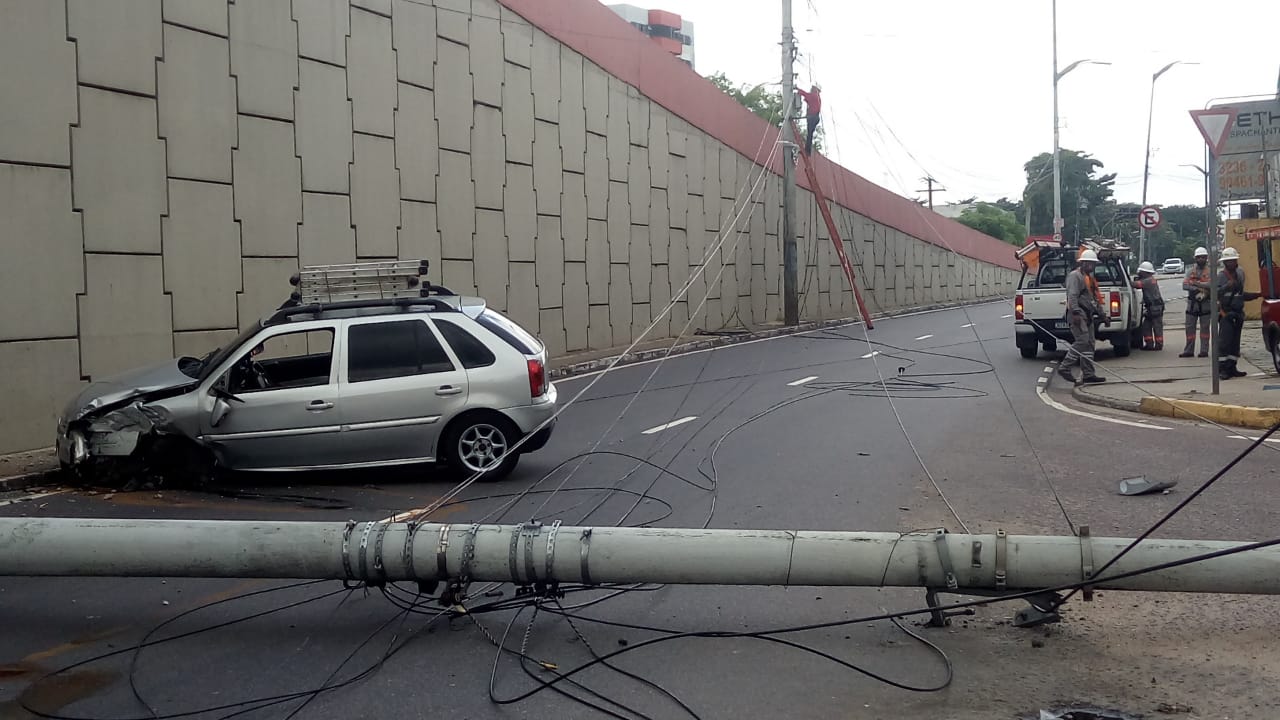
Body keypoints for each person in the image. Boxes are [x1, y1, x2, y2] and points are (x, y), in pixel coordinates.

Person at [1058, 249, 1107, 385]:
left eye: (1093, 264)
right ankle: (1065, 367)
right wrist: (1075, 313)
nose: (1091, 266)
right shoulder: (1075, 276)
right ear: (1083, 263)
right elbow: (1072, 296)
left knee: (1090, 343)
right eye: (1089, 264)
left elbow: (1094, 299)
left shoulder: (1089, 279)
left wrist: (1103, 316)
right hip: (1078, 315)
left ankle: (1088, 374)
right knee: (1082, 340)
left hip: (1088, 315)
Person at [1217, 246, 1262, 380]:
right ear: (1224, 263)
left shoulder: (1240, 274)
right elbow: (1215, 293)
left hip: (1238, 313)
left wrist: (1257, 295)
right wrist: (1226, 286)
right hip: (1226, 314)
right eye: (1228, 261)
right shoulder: (1221, 276)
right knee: (1224, 343)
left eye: (1233, 260)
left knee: (1235, 343)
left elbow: (1241, 295)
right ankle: (1223, 369)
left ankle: (1232, 367)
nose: (1231, 263)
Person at [1180, 247, 1212, 358]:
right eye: (1199, 257)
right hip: (1192, 304)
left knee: (1205, 329)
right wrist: (1197, 288)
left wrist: (1196, 284)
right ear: (1195, 258)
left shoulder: (1210, 271)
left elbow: (1212, 285)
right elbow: (1185, 286)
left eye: (1203, 257)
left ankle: (1204, 351)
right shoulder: (1190, 271)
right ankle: (1189, 350)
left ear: (1207, 258)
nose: (1201, 259)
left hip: (1206, 304)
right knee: (1189, 329)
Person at [1132, 261, 1164, 350]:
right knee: (1146, 326)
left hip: (1155, 307)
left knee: (1157, 326)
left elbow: (1136, 285)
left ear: (1145, 272)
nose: (1139, 273)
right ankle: (1149, 344)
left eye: (1141, 272)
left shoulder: (1149, 281)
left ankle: (1158, 344)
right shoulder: (1150, 279)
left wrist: (1127, 281)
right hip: (1152, 307)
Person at [795, 84, 821, 154]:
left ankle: (807, 150)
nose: (811, 89)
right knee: (809, 134)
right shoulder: (816, 97)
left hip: (813, 117)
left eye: (812, 88)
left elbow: (806, 95)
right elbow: (808, 99)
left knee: (809, 134)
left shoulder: (814, 95)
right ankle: (807, 149)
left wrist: (798, 89)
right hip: (814, 117)